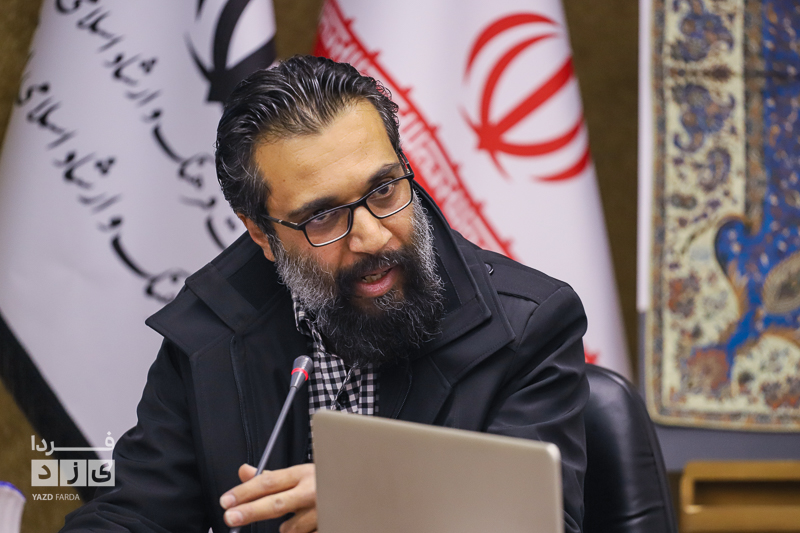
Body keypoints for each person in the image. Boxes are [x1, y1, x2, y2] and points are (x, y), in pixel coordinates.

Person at [61, 55, 589, 533]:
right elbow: (132, 515)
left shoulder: (528, 326)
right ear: (261, 234)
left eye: (384, 189)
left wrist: (379, 503)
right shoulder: (210, 333)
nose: (373, 237)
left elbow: (538, 522)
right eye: (323, 216)